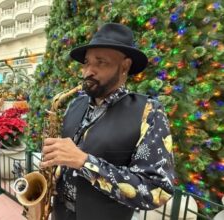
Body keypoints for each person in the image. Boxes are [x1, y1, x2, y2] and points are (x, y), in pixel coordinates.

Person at [41, 23, 175, 220]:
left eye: (100, 62)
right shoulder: (75, 104)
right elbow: (66, 158)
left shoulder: (149, 112)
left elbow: (157, 190)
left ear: (125, 66)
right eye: (86, 63)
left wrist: (85, 162)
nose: (88, 71)